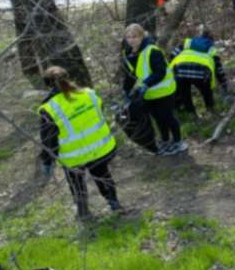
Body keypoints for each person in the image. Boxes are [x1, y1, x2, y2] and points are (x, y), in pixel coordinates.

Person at [38, 66, 124, 220]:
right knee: (103, 174)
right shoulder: (89, 94)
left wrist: (47, 161)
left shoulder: (49, 109)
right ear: (68, 77)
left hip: (74, 157)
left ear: (48, 85)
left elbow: (48, 141)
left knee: (76, 184)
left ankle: (84, 213)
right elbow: (99, 111)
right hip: (101, 148)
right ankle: (114, 203)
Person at [122, 23, 186, 155]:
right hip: (148, 94)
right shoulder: (128, 54)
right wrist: (126, 92)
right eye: (128, 37)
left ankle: (179, 143)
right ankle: (165, 141)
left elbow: (160, 72)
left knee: (167, 117)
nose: (131, 40)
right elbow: (130, 76)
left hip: (164, 91)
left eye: (135, 36)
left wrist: (145, 84)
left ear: (141, 36)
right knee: (157, 118)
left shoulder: (152, 51)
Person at [170, 28, 231, 116]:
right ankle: (210, 109)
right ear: (211, 40)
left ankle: (191, 113)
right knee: (206, 91)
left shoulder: (188, 42)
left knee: (185, 94)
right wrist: (223, 83)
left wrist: (177, 68)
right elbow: (218, 69)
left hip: (181, 71)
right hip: (201, 73)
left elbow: (173, 54)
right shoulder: (211, 48)